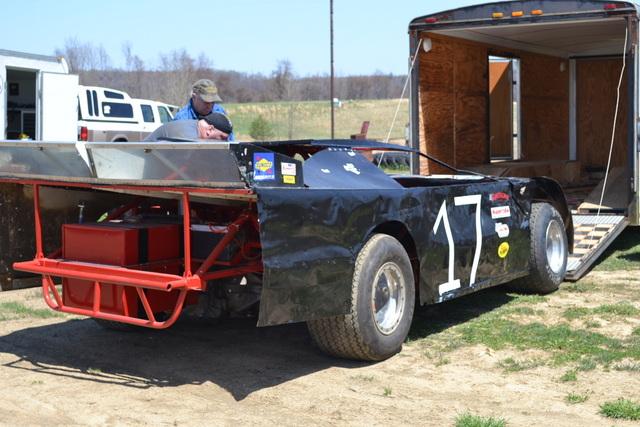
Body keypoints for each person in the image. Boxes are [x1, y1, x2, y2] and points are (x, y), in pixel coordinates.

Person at [145, 112, 232, 142]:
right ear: (210, 129)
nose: (224, 142)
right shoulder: (188, 136)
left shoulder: (194, 127)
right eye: (222, 138)